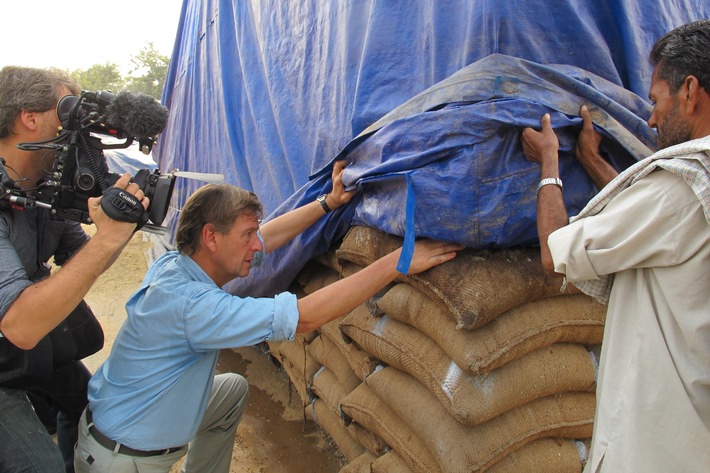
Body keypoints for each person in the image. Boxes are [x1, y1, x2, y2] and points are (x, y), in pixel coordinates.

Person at [74, 163, 463, 473]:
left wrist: (327, 203)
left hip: (119, 417)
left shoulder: (180, 265)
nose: (257, 246)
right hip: (126, 458)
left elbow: (271, 237)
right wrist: (395, 263)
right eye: (247, 236)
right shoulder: (193, 305)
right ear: (211, 237)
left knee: (230, 392)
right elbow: (306, 317)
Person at [521, 19, 710, 473]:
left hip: (652, 448)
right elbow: (652, 224)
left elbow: (554, 253)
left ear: (689, 90)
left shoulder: (680, 188)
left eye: (655, 100)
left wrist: (549, 163)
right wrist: (595, 161)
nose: (650, 118)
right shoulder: (687, 191)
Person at [0, 66, 150, 472]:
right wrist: (106, 239)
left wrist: (120, 228)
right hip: (13, 333)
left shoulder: (42, 191)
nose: (77, 130)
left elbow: (85, 261)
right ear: (28, 118)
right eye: (67, 114)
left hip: (16, 343)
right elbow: (21, 325)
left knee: (90, 409)